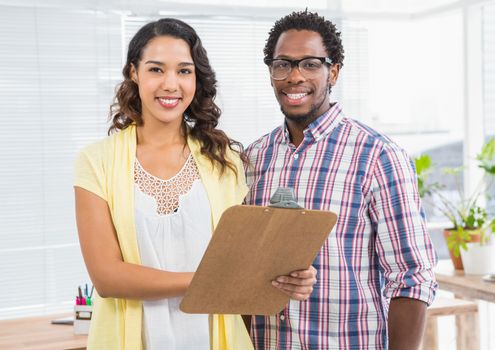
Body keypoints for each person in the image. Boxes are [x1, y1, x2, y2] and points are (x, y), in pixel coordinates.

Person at [74, 18, 316, 350]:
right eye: (156, 69)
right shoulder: (95, 161)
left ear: (196, 78)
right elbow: (106, 277)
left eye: (184, 71)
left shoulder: (226, 161)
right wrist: (207, 281)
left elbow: (242, 263)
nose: (171, 84)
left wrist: (289, 276)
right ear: (134, 72)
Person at [244, 10, 438, 350]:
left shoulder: (378, 156)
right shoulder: (253, 158)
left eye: (310, 64)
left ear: (333, 71)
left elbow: (411, 277)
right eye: (282, 64)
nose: (294, 76)